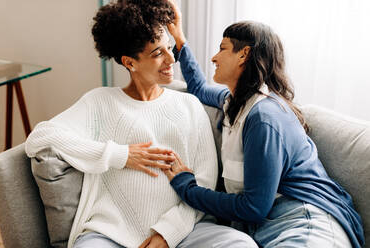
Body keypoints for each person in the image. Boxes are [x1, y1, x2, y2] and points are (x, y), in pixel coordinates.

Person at [25, 1, 259, 248]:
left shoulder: (189, 106)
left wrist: (168, 233)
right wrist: (120, 155)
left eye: (169, 48)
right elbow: (40, 138)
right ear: (129, 62)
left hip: (186, 233)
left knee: (241, 244)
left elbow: (204, 180)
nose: (171, 59)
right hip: (109, 235)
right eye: (158, 53)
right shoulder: (99, 102)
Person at [162, 0, 365, 247]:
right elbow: (198, 88)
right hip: (269, 228)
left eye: (222, 48)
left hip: (305, 222)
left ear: (244, 54)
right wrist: (179, 38)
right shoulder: (234, 100)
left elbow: (253, 207)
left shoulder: (264, 118)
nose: (214, 57)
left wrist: (187, 186)